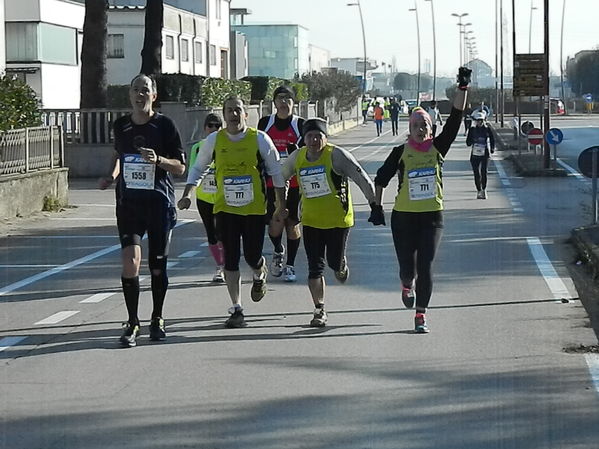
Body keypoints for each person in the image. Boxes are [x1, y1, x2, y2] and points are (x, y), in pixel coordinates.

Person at [371, 67, 471, 334]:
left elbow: (457, 117)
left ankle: (421, 314)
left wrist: (463, 87)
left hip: (432, 217)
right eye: (415, 125)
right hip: (403, 218)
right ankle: (406, 284)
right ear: (409, 129)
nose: (420, 128)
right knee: (408, 269)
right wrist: (377, 207)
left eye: (424, 125)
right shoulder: (400, 152)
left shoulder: (438, 148)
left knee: (425, 266)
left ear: (430, 128)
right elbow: (381, 179)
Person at [178, 96, 286, 329]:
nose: (233, 114)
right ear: (224, 114)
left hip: (254, 210)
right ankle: (236, 308)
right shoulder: (214, 140)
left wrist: (280, 205)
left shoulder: (259, 139)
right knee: (231, 259)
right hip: (225, 209)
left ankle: (259, 273)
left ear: (245, 114)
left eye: (238, 110)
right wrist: (188, 193)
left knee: (251, 256)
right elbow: (199, 167)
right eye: (229, 110)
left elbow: (276, 172)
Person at [98, 74, 186, 348]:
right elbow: (119, 156)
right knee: (130, 262)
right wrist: (111, 175)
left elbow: (181, 167)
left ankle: (157, 317)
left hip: (159, 204)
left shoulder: (165, 125)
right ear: (130, 95)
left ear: (153, 96)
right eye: (135, 90)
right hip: (129, 205)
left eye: (145, 90)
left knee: (157, 267)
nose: (140, 95)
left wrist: (158, 160)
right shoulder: (121, 126)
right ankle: (133, 321)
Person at [281, 118, 381, 327]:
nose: (314, 140)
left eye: (319, 136)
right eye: (310, 136)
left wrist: (374, 205)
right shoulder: (298, 157)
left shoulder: (336, 155)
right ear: (304, 139)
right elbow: (279, 177)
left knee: (333, 263)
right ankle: (319, 309)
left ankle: (340, 263)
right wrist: (278, 204)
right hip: (311, 221)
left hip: (338, 221)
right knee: (314, 268)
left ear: (326, 137)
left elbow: (360, 177)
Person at [258, 86, 304, 282]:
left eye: (288, 99)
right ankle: (278, 250)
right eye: (280, 98)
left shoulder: (300, 124)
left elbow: (310, 150)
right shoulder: (265, 123)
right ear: (274, 103)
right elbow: (257, 149)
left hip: (294, 184)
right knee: (275, 225)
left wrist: (297, 150)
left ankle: (291, 265)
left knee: (292, 224)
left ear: (294, 103)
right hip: (271, 184)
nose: (284, 102)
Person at [187, 113, 225, 281]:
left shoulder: (226, 146)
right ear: (205, 128)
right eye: (210, 126)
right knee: (211, 234)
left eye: (217, 126)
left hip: (223, 197)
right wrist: (188, 194)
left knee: (223, 233)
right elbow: (193, 171)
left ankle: (226, 264)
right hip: (204, 197)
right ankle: (219, 266)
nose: (214, 129)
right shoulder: (197, 147)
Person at [466, 110, 495, 199]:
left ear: (484, 120)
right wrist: (473, 141)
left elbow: (492, 139)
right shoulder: (472, 130)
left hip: (485, 154)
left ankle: (484, 189)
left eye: (481, 120)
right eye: (478, 120)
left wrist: (492, 148)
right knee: (476, 173)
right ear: (476, 121)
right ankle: (478, 190)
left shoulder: (487, 129)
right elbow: (468, 142)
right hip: (475, 154)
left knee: (484, 172)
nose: (480, 122)